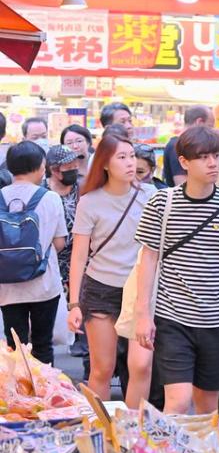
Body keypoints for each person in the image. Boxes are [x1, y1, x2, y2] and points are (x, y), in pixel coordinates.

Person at [133, 126, 219, 415]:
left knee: (207, 407)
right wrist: (142, 314)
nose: (212, 163)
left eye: (216, 155)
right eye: (203, 157)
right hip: (172, 319)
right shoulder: (161, 203)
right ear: (184, 162)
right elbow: (148, 259)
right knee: (177, 402)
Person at [66, 134, 155, 406]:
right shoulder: (90, 201)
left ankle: (133, 434)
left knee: (140, 367)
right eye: (122, 157)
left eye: (132, 156)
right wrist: (74, 304)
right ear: (105, 163)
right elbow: (79, 256)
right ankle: (98, 432)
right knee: (102, 369)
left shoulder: (151, 196)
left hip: (141, 290)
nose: (131, 163)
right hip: (101, 288)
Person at [0, 141, 67, 364]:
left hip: (7, 285)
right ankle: (45, 395)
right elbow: (59, 243)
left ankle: (18, 396)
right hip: (44, 284)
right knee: (42, 343)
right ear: (41, 166)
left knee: (14, 347)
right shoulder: (51, 198)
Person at [43, 146, 82, 287]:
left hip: (80, 265)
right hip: (49, 266)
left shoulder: (82, 190)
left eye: (75, 165)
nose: (74, 169)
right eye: (69, 167)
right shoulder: (41, 193)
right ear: (54, 170)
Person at [163, 105, 214, 187]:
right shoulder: (178, 145)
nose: (211, 132)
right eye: (210, 126)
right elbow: (183, 186)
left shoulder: (181, 144)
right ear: (199, 122)